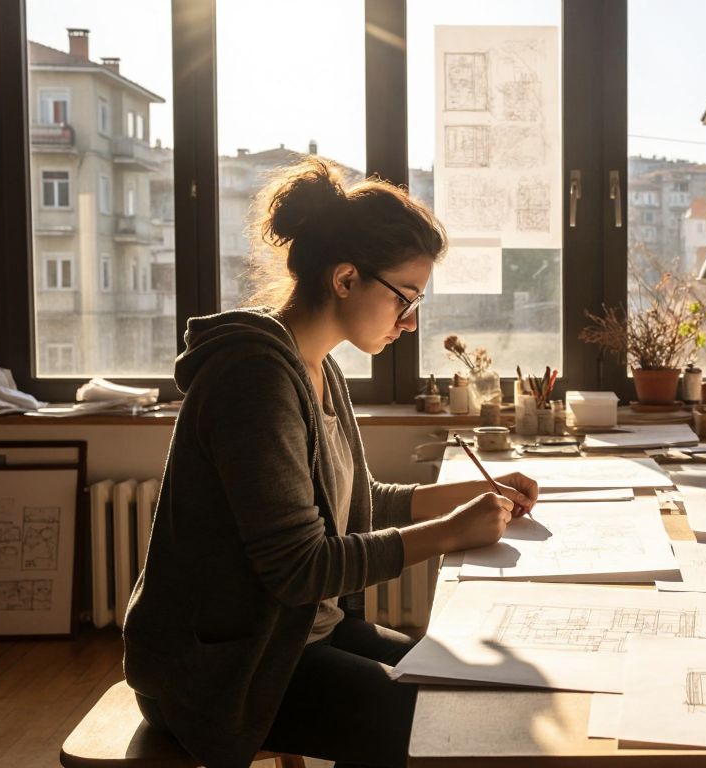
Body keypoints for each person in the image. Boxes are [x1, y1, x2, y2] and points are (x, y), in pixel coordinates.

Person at [123, 158, 538, 768]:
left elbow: (359, 501)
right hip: (225, 669)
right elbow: (300, 567)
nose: (411, 321)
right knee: (455, 727)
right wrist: (451, 533)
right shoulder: (254, 378)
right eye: (406, 297)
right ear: (345, 279)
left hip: (295, 637)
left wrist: (470, 496)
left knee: (472, 691)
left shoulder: (320, 367)